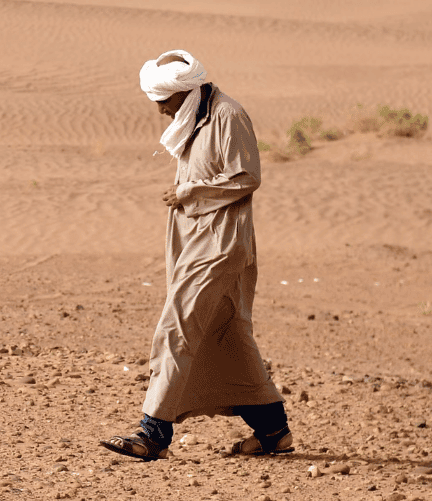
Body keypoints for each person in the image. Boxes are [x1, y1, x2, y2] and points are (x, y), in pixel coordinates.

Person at [100, 50, 293, 461]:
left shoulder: (227, 115)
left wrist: (189, 192)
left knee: (176, 327)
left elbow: (247, 176)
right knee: (226, 334)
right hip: (196, 241)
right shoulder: (195, 118)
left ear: (185, 92)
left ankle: (152, 434)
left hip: (221, 244)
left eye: (163, 101)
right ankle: (273, 430)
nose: (159, 110)